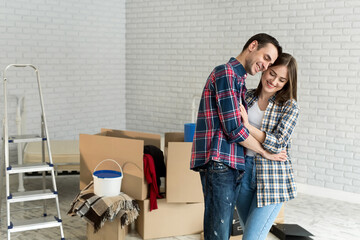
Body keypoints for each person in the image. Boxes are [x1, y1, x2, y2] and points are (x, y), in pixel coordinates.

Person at [190, 33, 286, 240]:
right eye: (266, 57)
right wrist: (264, 152)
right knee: (219, 232)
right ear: (253, 46)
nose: (265, 65)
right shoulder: (226, 73)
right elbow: (233, 128)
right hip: (219, 162)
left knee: (221, 230)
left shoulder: (239, 80)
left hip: (230, 164)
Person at [236, 52, 299, 240]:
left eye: (281, 79)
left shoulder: (289, 106)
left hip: (273, 177)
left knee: (251, 237)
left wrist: (248, 126)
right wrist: (259, 144)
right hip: (243, 170)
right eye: (272, 73)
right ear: (265, 69)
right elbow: (234, 131)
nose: (274, 81)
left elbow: (279, 143)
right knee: (250, 233)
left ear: (287, 83)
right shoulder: (246, 98)